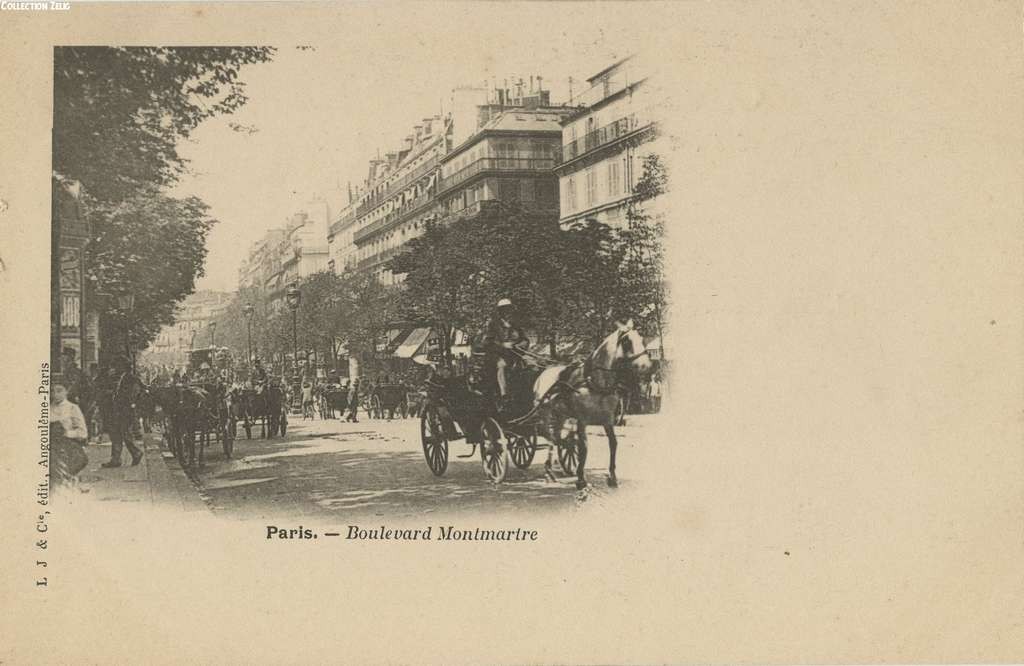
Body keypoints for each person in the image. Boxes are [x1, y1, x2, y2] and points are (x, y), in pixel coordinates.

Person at [481, 298, 529, 409]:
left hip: (516, 355)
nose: (508, 312)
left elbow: (525, 340)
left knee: (532, 366)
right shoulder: (493, 325)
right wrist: (503, 345)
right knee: (502, 366)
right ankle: (504, 395)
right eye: (505, 310)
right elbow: (487, 342)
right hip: (497, 356)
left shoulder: (516, 325)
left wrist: (520, 345)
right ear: (500, 311)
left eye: (509, 309)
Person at [102, 357, 144, 468]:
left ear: (123, 367)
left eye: (117, 366)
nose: (115, 368)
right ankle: (116, 459)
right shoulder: (120, 378)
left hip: (125, 411)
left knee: (125, 434)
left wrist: (128, 404)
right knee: (116, 434)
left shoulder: (131, 378)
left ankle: (136, 453)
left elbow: (134, 393)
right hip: (118, 410)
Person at [50, 382, 90, 485]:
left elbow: (83, 433)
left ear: (66, 392)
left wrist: (66, 433)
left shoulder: (72, 408)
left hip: (67, 447)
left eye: (59, 391)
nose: (55, 394)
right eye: (52, 391)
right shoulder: (47, 408)